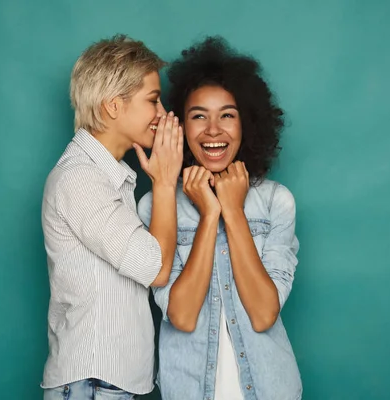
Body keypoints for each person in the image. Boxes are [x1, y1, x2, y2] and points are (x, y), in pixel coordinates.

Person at [137, 37, 302, 400]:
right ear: (180, 126)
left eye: (227, 115)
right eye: (199, 116)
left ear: (247, 124)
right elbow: (181, 316)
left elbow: (263, 314)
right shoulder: (155, 206)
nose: (213, 130)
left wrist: (234, 210)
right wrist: (210, 213)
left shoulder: (277, 201)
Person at [41, 34, 183, 399]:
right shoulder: (81, 178)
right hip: (93, 384)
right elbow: (155, 268)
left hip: (103, 383)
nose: (163, 113)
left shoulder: (108, 176)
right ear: (113, 106)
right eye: (153, 99)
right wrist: (165, 183)